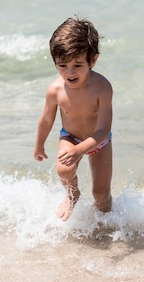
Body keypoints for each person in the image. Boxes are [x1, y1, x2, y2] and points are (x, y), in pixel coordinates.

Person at [34, 17, 113, 221]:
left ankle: (106, 222)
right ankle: (72, 194)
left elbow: (103, 130)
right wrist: (39, 145)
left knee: (101, 195)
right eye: (62, 65)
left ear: (92, 60)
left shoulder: (102, 88)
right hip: (70, 137)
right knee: (64, 169)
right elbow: (46, 120)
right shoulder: (55, 90)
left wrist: (81, 150)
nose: (69, 73)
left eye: (77, 65)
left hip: (98, 142)